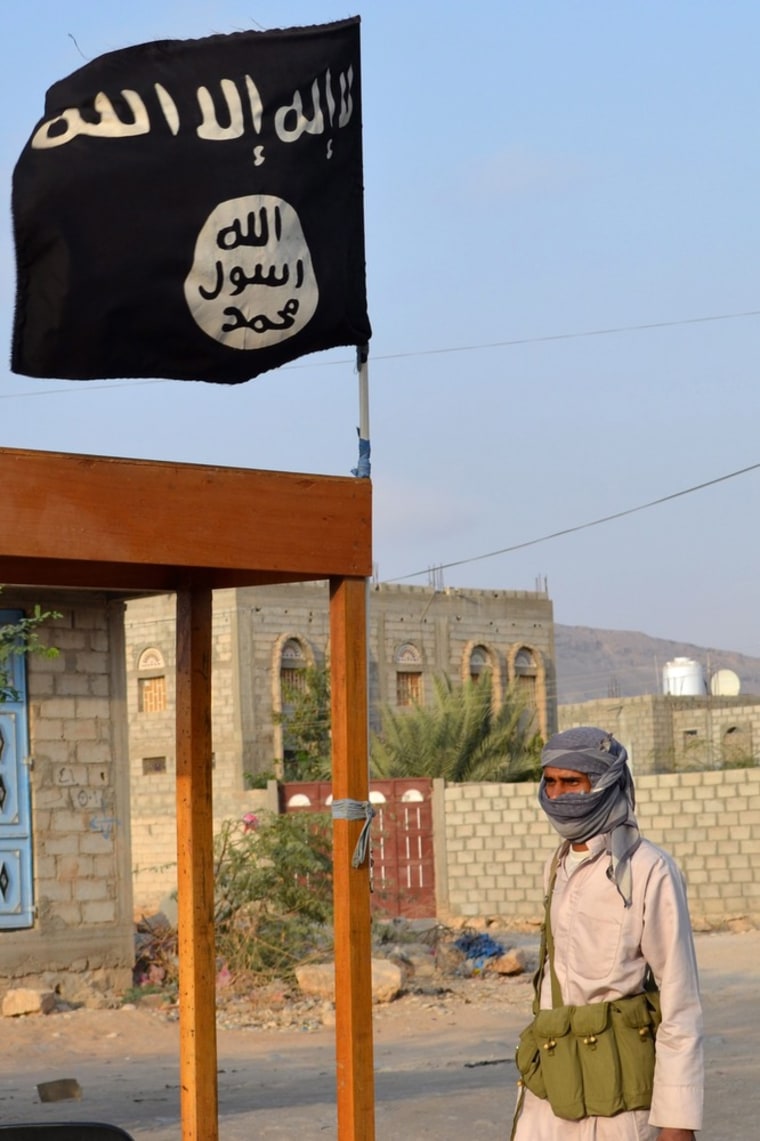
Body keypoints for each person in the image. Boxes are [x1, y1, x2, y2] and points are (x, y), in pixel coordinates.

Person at [512, 726, 703, 1141]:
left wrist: (678, 1120)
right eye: (550, 782)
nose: (558, 795)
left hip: (618, 1102)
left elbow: (679, 999)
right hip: (553, 1090)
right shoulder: (557, 864)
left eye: (572, 782)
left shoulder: (648, 869)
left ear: (604, 783)